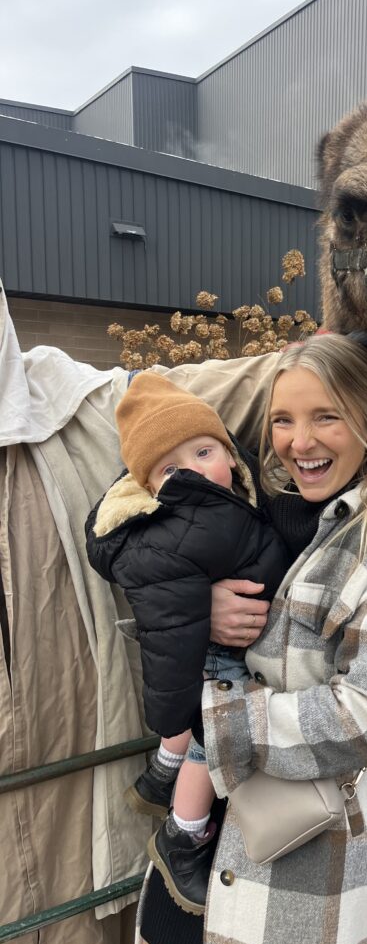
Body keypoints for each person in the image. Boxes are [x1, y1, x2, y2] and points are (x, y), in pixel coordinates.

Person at [135, 333, 367, 944]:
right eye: (283, 419)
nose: (300, 441)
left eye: (325, 416)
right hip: (196, 848)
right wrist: (200, 606)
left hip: (295, 868)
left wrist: (220, 718)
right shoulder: (250, 506)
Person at [85, 372, 289, 913]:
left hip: (227, 646)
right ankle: (183, 835)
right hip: (221, 659)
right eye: (172, 468)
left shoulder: (234, 492)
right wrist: (177, 717)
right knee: (209, 738)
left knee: (198, 722)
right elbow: (169, 631)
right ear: (149, 487)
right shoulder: (186, 519)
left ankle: (161, 775)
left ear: (228, 450)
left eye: (204, 451)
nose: (195, 471)